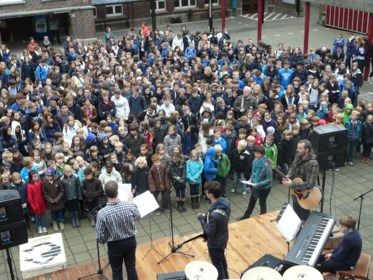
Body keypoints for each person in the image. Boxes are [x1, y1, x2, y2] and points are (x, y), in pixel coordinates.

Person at [96, 181, 141, 280]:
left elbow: (100, 236)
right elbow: (138, 216)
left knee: (116, 271)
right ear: (117, 191)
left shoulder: (102, 213)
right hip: (130, 242)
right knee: (131, 267)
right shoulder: (129, 205)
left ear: (105, 193)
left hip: (114, 245)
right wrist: (132, 202)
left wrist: (105, 240)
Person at [197, 180, 230, 280]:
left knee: (217, 265)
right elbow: (221, 219)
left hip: (215, 243)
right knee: (222, 259)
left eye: (206, 192)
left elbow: (209, 232)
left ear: (211, 194)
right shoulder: (226, 203)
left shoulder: (214, 215)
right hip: (223, 237)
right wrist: (207, 215)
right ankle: (226, 277)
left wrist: (202, 220)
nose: (205, 193)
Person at [282, 139, 319, 221]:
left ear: (307, 150)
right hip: (296, 192)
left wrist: (292, 184)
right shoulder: (298, 155)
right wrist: (289, 174)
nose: (297, 150)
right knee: (296, 214)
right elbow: (292, 166)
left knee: (304, 217)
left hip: (306, 195)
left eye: (300, 148)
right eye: (297, 147)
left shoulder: (313, 163)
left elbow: (310, 183)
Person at [238, 146, 273, 220]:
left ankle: (263, 217)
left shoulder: (266, 165)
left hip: (264, 188)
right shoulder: (254, 161)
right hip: (255, 186)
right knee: (252, 201)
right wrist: (250, 180)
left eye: (258, 153)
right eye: (255, 153)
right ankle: (246, 216)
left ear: (262, 154)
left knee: (262, 203)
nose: (255, 155)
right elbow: (253, 173)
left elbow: (269, 179)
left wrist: (258, 184)